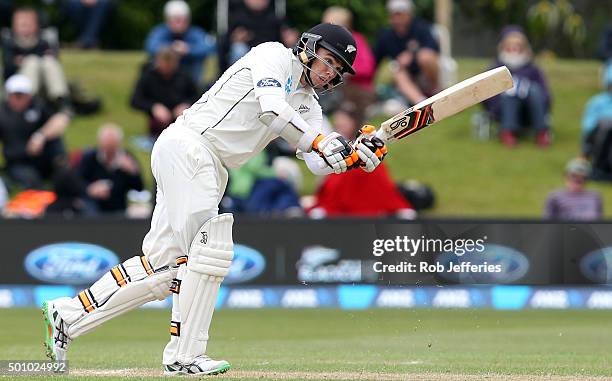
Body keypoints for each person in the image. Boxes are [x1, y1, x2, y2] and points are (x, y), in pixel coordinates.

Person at [42, 23, 388, 376]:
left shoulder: (308, 105)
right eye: (328, 60)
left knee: (163, 268)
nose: (330, 72)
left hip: (207, 164)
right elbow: (272, 109)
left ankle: (67, 316)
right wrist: (322, 142)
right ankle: (184, 356)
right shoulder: (272, 55)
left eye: (338, 70)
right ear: (309, 46)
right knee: (208, 252)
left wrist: (352, 157)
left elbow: (317, 162)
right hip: (190, 146)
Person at [309, 102, 414, 218]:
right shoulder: (330, 141)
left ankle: (394, 205)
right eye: (338, 121)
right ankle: (328, 207)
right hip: (340, 176)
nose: (340, 123)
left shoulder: (364, 137)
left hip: (365, 173)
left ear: (354, 122)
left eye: (344, 120)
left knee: (375, 168)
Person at [483, 26, 552, 148]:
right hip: (505, 110)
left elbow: (546, 94)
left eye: (518, 45)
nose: (514, 49)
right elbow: (486, 96)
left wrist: (527, 90)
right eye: (510, 45)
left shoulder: (533, 69)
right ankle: (508, 131)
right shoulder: (495, 69)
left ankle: (542, 132)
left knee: (534, 88)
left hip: (530, 109)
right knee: (511, 90)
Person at [0, 74, 70, 188]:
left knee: (65, 172)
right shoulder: (3, 113)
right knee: (32, 181)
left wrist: (41, 135)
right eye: (15, 95)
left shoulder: (37, 106)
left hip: (42, 158)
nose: (19, 99)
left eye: (22, 95)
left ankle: (61, 166)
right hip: (19, 161)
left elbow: (61, 119)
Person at [374, 0, 440, 106]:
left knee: (425, 57)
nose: (396, 19)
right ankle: (421, 103)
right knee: (398, 72)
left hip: (425, 73)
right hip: (407, 76)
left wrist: (412, 55)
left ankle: (436, 90)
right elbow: (375, 60)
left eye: (399, 14)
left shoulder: (421, 28)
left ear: (408, 14)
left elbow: (433, 49)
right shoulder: (386, 36)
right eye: (393, 15)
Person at [1, 8, 70, 108]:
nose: (25, 28)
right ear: (14, 26)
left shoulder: (43, 42)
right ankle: (29, 103)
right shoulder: (9, 43)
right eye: (22, 25)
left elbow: (52, 60)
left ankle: (62, 100)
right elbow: (8, 69)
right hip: (18, 90)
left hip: (45, 86)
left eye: (29, 24)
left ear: (36, 25)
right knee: (32, 62)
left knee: (49, 61)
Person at [321, 6, 377, 119]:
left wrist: (346, 70)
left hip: (357, 88)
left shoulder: (356, 40)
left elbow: (368, 67)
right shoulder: (325, 43)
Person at [131, 47, 198, 139]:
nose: (166, 68)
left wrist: (186, 105)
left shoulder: (184, 76)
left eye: (170, 65)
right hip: (158, 123)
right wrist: (153, 107)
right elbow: (135, 100)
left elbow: (198, 97)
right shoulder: (149, 76)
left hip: (181, 120)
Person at [77, 124, 144, 215]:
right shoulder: (89, 157)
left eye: (112, 146)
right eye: (106, 146)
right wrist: (90, 189)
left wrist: (133, 173)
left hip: (118, 205)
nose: (109, 151)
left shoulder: (127, 158)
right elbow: (77, 181)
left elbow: (139, 188)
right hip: (93, 204)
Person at [145, 0, 216, 84]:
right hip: (165, 76)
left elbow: (209, 47)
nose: (180, 24)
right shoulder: (160, 31)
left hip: (189, 72)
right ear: (168, 20)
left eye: (183, 20)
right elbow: (150, 46)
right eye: (176, 20)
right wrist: (171, 49)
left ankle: (194, 90)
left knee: (197, 61)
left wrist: (188, 50)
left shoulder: (195, 32)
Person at [581, 62, 612, 181]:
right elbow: (588, 126)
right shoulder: (597, 101)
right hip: (598, 138)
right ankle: (599, 168)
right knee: (607, 125)